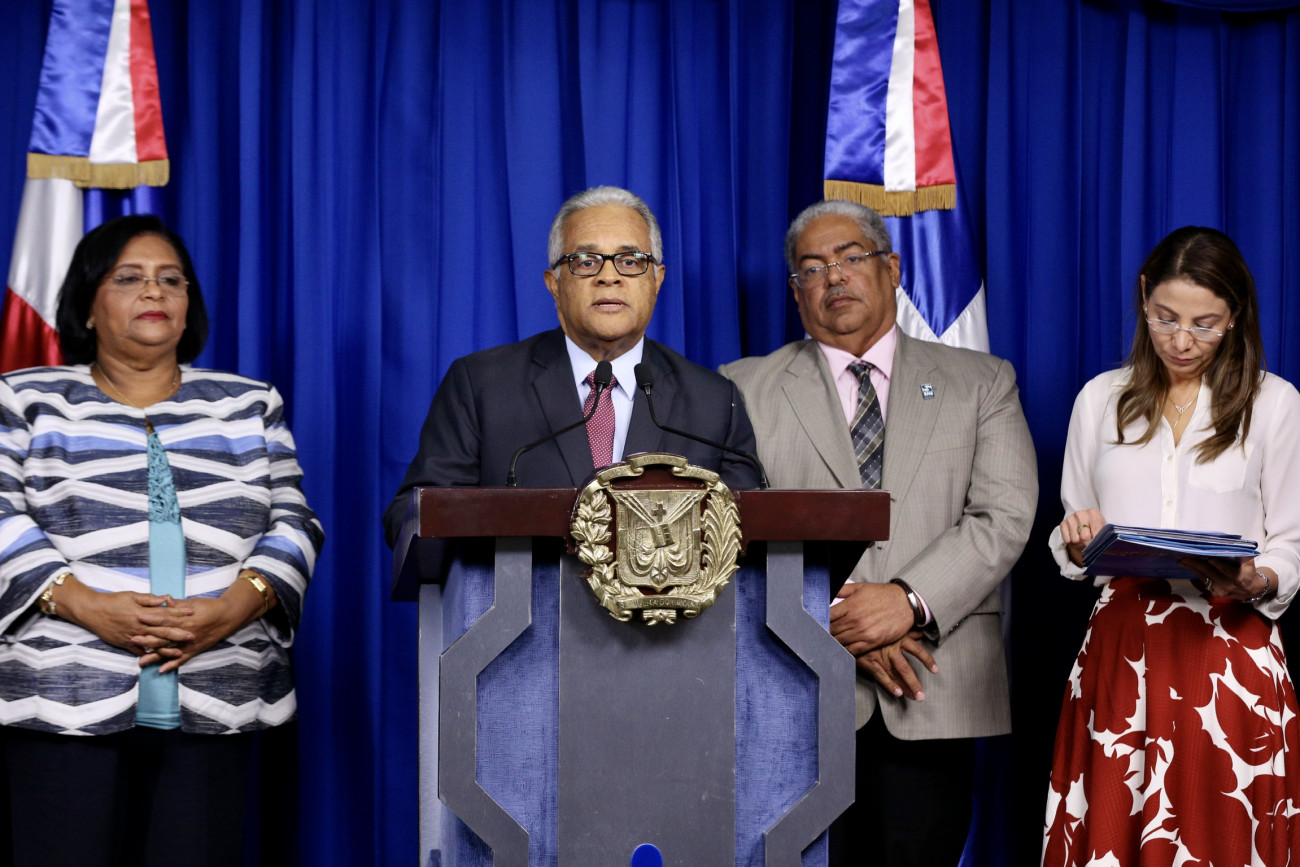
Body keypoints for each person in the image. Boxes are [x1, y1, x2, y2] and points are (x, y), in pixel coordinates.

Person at [0, 214, 324, 866]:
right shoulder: (25, 399)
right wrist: (90, 606)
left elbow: (295, 523)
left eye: (170, 279)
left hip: (217, 686)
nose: (154, 291)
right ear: (87, 305)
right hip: (62, 691)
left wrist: (231, 608)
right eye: (129, 278)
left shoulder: (248, 404)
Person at [721, 199, 1037, 865]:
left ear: (892, 268)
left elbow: (1003, 514)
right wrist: (833, 618)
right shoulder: (741, 389)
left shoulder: (982, 382)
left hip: (932, 685)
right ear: (796, 291)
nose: (833, 276)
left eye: (850, 257)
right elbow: (728, 531)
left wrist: (907, 600)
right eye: (812, 267)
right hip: (794, 687)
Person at [1043, 227, 1300, 863]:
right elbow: (1074, 527)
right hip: (1122, 650)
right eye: (1165, 318)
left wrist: (1257, 579)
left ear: (1235, 316)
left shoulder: (1274, 404)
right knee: (1114, 835)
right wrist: (1076, 543)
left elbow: (1290, 544)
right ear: (1143, 297)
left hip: (1230, 652)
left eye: (1204, 325)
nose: (1182, 341)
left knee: (1223, 840)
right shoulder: (1099, 399)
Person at [383, 185, 759, 544]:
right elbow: (412, 517)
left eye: (630, 261)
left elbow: (749, 529)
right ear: (554, 283)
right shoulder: (481, 385)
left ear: (657, 279)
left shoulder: (714, 401)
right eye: (586, 262)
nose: (609, 277)